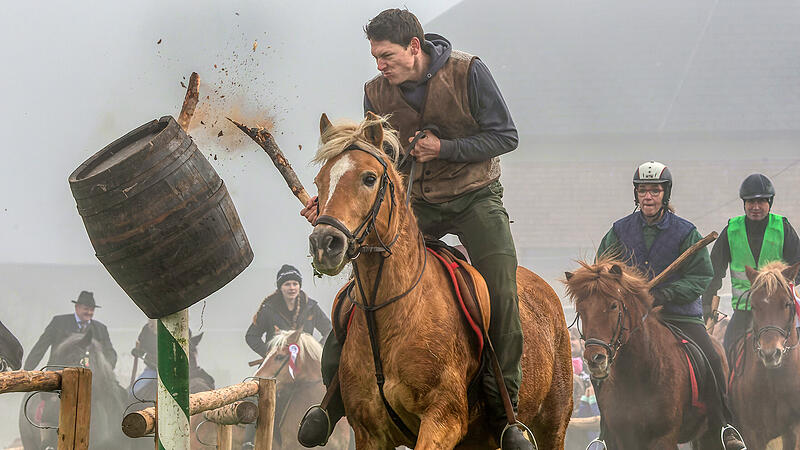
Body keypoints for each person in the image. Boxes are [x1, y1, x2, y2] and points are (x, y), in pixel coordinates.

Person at [298, 8, 528, 449]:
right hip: (415, 204)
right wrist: (334, 204)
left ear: (415, 48)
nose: (380, 66)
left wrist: (446, 147)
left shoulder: (469, 72)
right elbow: (375, 164)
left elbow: (506, 136)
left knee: (501, 290)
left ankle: (506, 415)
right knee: (358, 288)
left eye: (386, 56)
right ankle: (332, 402)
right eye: (375, 57)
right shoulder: (375, 93)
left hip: (476, 198)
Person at [596, 161, 744, 450]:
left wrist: (665, 294)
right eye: (643, 191)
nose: (648, 197)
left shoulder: (686, 232)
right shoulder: (618, 231)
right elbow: (603, 272)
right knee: (604, 363)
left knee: (712, 357)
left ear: (665, 194)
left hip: (679, 316)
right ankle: (605, 435)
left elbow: (702, 276)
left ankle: (725, 424)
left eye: (654, 191)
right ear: (636, 194)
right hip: (633, 319)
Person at [702, 173, 800, 354]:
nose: (755, 207)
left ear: (769, 203)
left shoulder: (783, 227)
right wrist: (707, 303)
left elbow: (798, 266)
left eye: (761, 201)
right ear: (744, 204)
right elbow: (713, 271)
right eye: (750, 202)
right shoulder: (731, 230)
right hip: (744, 311)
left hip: (778, 312)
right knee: (726, 352)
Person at [245, 264, 332, 358]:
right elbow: (252, 336)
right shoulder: (268, 309)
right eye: (287, 284)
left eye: (295, 284)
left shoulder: (311, 307)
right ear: (280, 287)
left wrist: (317, 349)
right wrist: (269, 353)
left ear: (299, 286)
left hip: (305, 361)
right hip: (276, 362)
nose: (292, 288)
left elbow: (329, 330)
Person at [24, 290, 117, 370]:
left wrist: (105, 370)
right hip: (58, 374)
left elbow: (110, 353)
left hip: (90, 377)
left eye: (92, 310)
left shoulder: (100, 329)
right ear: (77, 307)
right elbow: (40, 347)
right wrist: (27, 370)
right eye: (86, 309)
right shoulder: (59, 323)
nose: (89, 312)